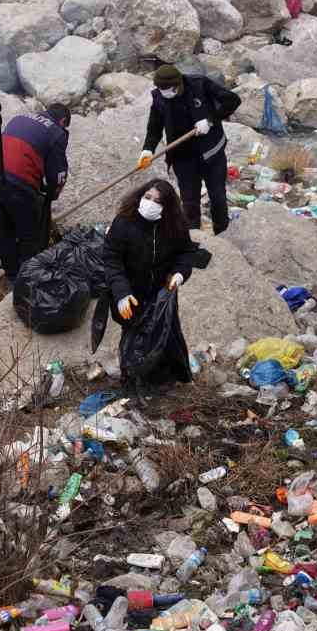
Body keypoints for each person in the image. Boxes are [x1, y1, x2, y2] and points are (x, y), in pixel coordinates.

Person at [104, 178, 204, 390]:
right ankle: (133, 380)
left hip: (161, 292)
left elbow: (186, 252)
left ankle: (163, 379)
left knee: (164, 334)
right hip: (130, 294)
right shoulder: (123, 223)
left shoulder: (174, 226)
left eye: (157, 201)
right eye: (147, 197)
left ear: (166, 207)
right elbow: (111, 259)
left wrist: (179, 273)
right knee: (133, 338)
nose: (150, 203)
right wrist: (121, 293)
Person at [137, 64, 240, 234]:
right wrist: (147, 149)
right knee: (189, 203)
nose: (164, 93)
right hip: (182, 158)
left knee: (218, 198)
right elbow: (154, 127)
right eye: (161, 89)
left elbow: (233, 100)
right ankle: (193, 239)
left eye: (167, 89)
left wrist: (210, 120)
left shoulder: (199, 84)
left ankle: (223, 234)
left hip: (211, 153)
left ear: (178, 85)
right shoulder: (159, 98)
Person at [0, 103, 72, 280]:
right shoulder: (57, 132)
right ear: (63, 121)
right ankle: (26, 283)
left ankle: (12, 277)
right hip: (18, 186)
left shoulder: (19, 118)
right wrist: (51, 195)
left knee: (5, 233)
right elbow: (57, 174)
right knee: (31, 237)